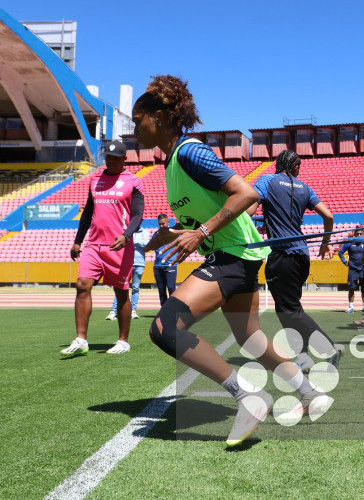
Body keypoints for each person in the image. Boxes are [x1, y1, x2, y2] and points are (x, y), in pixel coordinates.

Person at [134, 75, 324, 446]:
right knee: (250, 337)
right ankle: (310, 391)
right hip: (240, 254)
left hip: (232, 254)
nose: (135, 129)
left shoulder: (189, 152)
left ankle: (248, 398)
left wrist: (201, 233)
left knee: (164, 328)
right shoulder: (174, 161)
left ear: (157, 117)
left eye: (137, 119)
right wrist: (172, 232)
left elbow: (246, 193)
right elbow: (202, 212)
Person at [250, 149, 340, 372]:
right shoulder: (305, 188)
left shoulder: (267, 181)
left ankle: (329, 348)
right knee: (289, 308)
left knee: (289, 310)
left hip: (282, 255)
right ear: (296, 167)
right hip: (302, 255)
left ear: (278, 164)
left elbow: (249, 209)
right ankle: (302, 357)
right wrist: (325, 242)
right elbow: (328, 216)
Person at [62, 140, 144, 357]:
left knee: (121, 292)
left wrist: (126, 236)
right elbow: (88, 212)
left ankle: (123, 341)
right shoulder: (95, 179)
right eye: (108, 157)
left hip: (119, 246)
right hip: (93, 245)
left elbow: (138, 215)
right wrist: (78, 240)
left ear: (124, 159)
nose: (111, 160)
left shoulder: (134, 182)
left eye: (116, 158)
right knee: (82, 285)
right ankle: (81, 340)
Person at [107, 225, 150, 320]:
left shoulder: (144, 232)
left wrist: (132, 242)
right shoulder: (126, 231)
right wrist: (138, 243)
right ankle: (114, 311)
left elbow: (146, 244)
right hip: (126, 263)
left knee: (135, 288)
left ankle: (133, 311)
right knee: (121, 287)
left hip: (139, 264)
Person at [146, 213, 179, 307]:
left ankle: (173, 310)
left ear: (168, 222)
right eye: (160, 224)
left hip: (170, 266)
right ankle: (164, 312)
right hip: (157, 266)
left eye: (163, 224)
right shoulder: (155, 235)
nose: (161, 226)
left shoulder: (174, 233)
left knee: (171, 289)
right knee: (161, 290)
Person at [338, 229, 364, 313]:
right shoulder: (349, 243)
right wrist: (344, 261)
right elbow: (340, 252)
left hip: (363, 269)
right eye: (357, 234)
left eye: (361, 234)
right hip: (352, 269)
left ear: (363, 234)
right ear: (354, 234)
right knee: (351, 288)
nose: (359, 235)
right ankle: (351, 307)